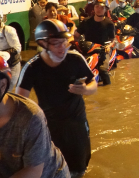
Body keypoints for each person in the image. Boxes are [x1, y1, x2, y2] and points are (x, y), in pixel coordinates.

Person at [18, 20, 96, 177]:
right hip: (49, 123)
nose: (63, 48)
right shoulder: (33, 67)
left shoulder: (75, 59)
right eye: (56, 44)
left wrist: (86, 90)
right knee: (52, 166)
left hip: (77, 120)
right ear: (43, 44)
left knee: (80, 164)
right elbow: (20, 101)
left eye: (65, 42)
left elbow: (93, 82)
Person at [74, 0, 116, 86]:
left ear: (106, 9)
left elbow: (112, 39)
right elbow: (76, 36)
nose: (98, 9)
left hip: (103, 49)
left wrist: (108, 46)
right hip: (87, 48)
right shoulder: (86, 21)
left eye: (101, 7)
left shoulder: (109, 24)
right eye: (96, 6)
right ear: (93, 8)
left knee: (103, 70)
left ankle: (107, 84)